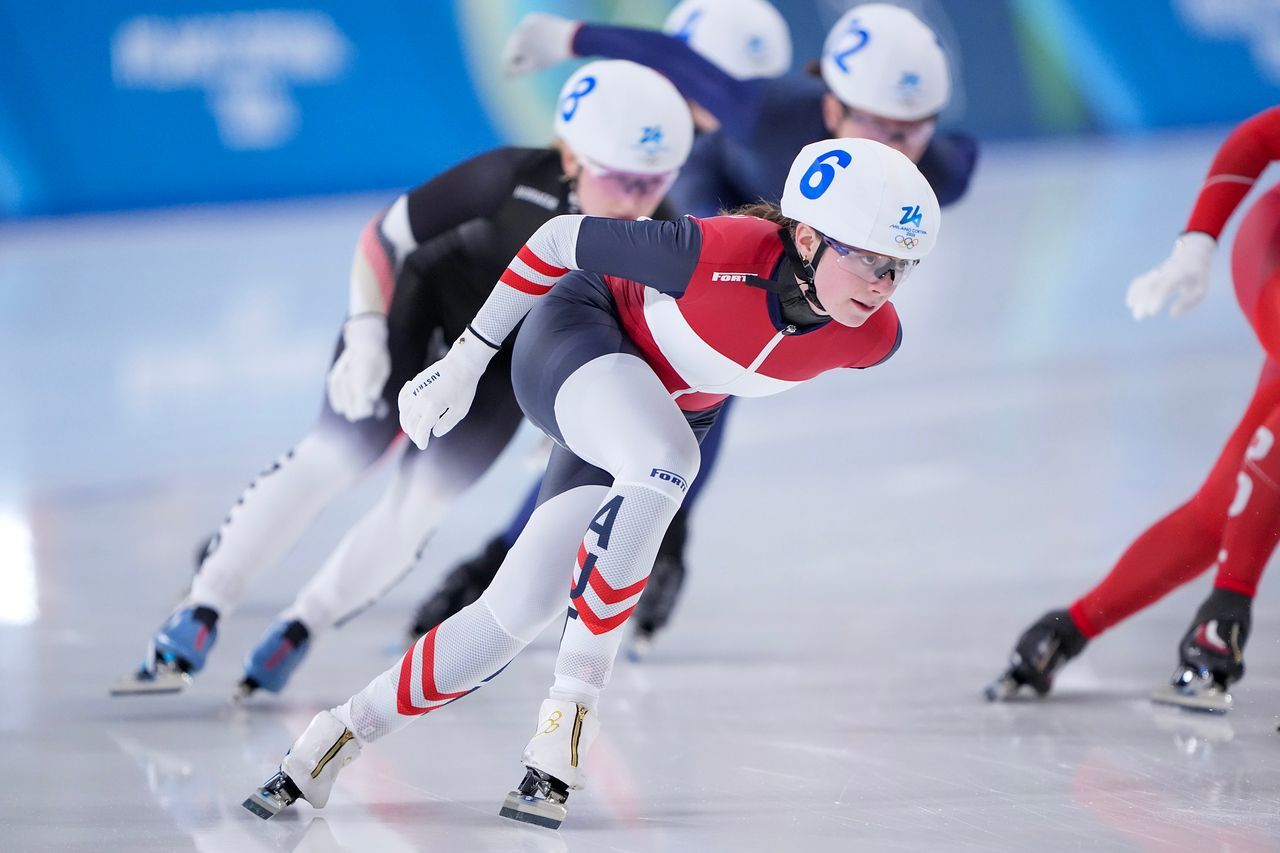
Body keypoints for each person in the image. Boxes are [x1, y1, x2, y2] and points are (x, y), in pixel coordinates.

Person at [242, 136, 941, 828]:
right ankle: (571, 714)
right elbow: (556, 240)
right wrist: (465, 363)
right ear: (809, 239)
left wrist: (611, 419)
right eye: (871, 260)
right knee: (670, 460)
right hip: (577, 335)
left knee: (517, 610)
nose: (884, 285)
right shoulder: (718, 251)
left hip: (644, 416)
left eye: (901, 268)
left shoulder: (872, 338)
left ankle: (331, 740)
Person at [407, 0, 980, 657]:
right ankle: (503, 555)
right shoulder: (767, 115)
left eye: (914, 131)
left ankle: (663, 535)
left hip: (806, 254)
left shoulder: (939, 174)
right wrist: (571, 35)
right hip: (722, 204)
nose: (896, 148)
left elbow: (959, 156)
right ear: (831, 108)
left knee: (714, 387)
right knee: (686, 358)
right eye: (878, 124)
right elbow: (678, 61)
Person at [109, 60, 694, 700]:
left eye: (655, 182)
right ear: (570, 156)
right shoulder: (509, 176)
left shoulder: (665, 234)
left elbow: (641, 345)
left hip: (501, 367)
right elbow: (382, 237)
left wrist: (571, 419)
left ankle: (301, 627)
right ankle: (202, 607)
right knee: (335, 454)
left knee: (419, 508)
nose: (637, 200)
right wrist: (365, 328)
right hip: (418, 312)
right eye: (621, 179)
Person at [987, 106, 1280, 713]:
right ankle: (1219, 625)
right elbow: (1257, 139)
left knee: (1224, 507)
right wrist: (1197, 242)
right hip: (1273, 251)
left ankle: (1065, 629)